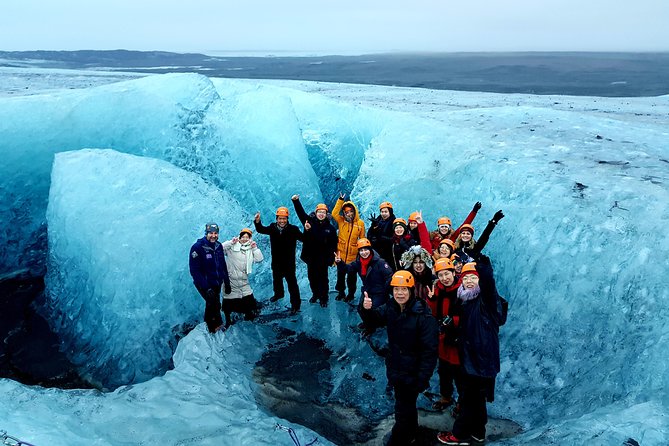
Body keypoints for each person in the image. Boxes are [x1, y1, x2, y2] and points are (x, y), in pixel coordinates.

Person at [361, 270, 438, 445]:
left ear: (411, 291)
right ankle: (411, 433)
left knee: (402, 409)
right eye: (396, 290)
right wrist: (366, 309)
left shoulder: (423, 317)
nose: (400, 293)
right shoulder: (391, 307)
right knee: (406, 406)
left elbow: (430, 351)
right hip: (396, 367)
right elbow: (373, 320)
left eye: (404, 289)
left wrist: (422, 378)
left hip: (412, 372)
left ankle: (399, 439)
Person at [437, 257, 501, 445]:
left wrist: (484, 267)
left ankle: (459, 434)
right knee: (477, 399)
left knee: (468, 399)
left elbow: (489, 284)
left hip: (479, 360)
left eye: (473, 277)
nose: (469, 281)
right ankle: (478, 432)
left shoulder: (485, 299)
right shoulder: (466, 301)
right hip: (473, 358)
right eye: (466, 278)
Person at [426, 258, 463, 412]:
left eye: (447, 273)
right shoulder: (438, 289)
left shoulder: (463, 290)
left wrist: (454, 320)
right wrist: (432, 299)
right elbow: (434, 313)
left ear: (454, 272)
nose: (444, 278)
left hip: (459, 338)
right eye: (441, 275)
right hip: (443, 337)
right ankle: (445, 397)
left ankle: (463, 401)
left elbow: (470, 314)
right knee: (444, 370)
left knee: (460, 373)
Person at [334, 238, 393, 333]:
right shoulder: (359, 263)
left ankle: (374, 327)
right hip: (368, 291)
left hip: (379, 292)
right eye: (361, 250)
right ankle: (368, 324)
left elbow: (389, 276)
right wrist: (339, 262)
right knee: (361, 309)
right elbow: (348, 269)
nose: (364, 252)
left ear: (370, 250)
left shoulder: (380, 263)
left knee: (373, 310)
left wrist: (388, 291)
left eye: (366, 250)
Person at [254, 207, 303, 315]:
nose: (282, 221)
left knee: (292, 284)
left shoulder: (293, 229)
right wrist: (257, 222)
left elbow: (303, 238)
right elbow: (261, 229)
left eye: (284, 219)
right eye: (280, 219)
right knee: (277, 280)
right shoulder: (272, 228)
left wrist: (308, 229)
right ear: (277, 219)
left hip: (289, 263)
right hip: (276, 262)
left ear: (287, 219)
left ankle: (295, 305)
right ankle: (278, 295)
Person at [292, 194, 338, 307]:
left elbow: (333, 244)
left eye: (323, 212)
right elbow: (301, 214)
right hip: (311, 257)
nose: (321, 214)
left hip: (323, 258)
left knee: (323, 279)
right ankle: (315, 294)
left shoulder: (330, 228)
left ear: (326, 214)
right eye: (319, 212)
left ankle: (324, 298)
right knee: (312, 277)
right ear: (316, 213)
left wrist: (331, 258)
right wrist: (296, 201)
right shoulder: (309, 222)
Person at [188, 223, 231, 333]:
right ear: (206, 233)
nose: (213, 235)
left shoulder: (218, 246)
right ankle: (212, 328)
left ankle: (216, 324)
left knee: (214, 304)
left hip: (216, 282)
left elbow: (222, 265)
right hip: (204, 283)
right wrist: (206, 287)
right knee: (213, 303)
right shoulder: (197, 248)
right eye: (210, 233)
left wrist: (227, 282)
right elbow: (194, 271)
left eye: (215, 233)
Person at [220, 228, 264, 327]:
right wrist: (231, 242)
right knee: (228, 304)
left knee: (250, 304)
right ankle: (228, 323)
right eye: (243, 237)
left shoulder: (250, 249)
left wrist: (255, 248)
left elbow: (259, 259)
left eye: (247, 237)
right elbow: (219, 249)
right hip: (231, 280)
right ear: (239, 237)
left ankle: (249, 320)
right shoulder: (232, 247)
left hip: (244, 281)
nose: (244, 239)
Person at [332, 192, 366, 302]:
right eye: (346, 212)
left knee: (351, 278)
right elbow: (334, 213)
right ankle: (341, 293)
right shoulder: (341, 221)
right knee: (340, 277)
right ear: (344, 213)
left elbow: (362, 239)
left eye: (351, 211)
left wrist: (360, 256)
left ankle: (351, 294)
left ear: (354, 211)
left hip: (353, 257)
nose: (349, 214)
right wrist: (340, 200)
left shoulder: (360, 223)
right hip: (340, 255)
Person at [367, 201, 396, 265]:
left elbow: (393, 239)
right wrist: (373, 226)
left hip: (387, 253)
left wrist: (379, 237)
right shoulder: (377, 220)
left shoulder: (394, 223)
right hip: (376, 251)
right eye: (382, 212)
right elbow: (369, 235)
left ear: (390, 212)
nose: (383, 214)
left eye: (386, 212)